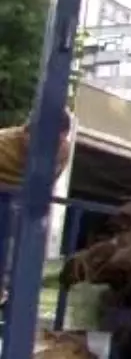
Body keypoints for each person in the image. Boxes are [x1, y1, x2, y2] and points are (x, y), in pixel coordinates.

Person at [0, 108, 74, 307]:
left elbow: (49, 183)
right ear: (27, 132)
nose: (46, 149)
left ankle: (14, 291)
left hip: (27, 203)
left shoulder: (63, 152)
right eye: (42, 141)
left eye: (55, 142)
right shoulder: (4, 143)